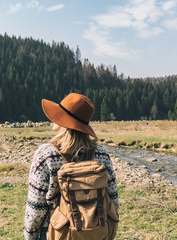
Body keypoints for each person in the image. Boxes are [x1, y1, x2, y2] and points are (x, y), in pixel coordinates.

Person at [23, 93, 119, 240]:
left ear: (65, 121)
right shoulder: (102, 154)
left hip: (55, 232)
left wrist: (29, 236)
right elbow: (113, 200)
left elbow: (36, 208)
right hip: (96, 232)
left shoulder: (46, 154)